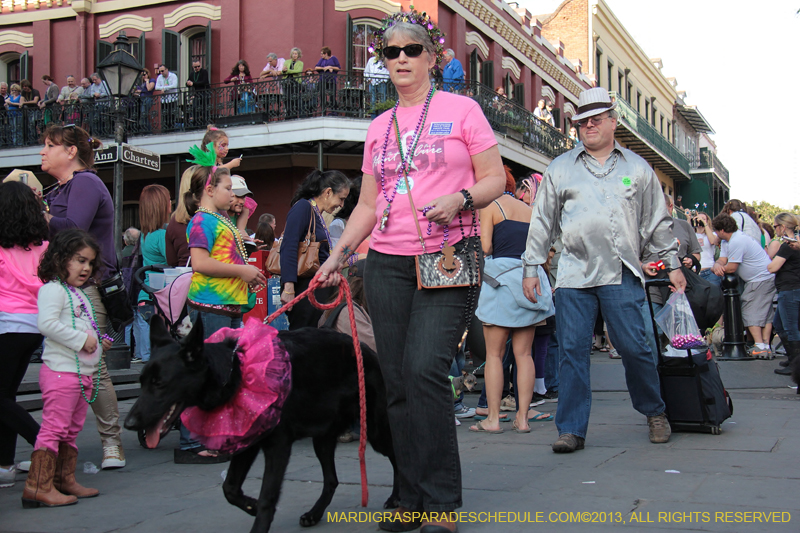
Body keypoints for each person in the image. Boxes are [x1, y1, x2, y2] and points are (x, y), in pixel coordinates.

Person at [316, 13, 505, 532]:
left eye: (411, 49)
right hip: (387, 263)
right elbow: (367, 205)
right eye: (390, 50)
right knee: (396, 382)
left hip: (449, 254)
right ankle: (409, 495)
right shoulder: (378, 127)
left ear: (432, 57)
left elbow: (496, 179)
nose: (400, 57)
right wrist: (337, 255)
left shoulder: (461, 110)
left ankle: (441, 503)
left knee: (424, 371)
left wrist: (461, 197)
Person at [521, 87, 686, 454]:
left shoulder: (637, 169)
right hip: (573, 274)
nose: (589, 125)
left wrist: (672, 264)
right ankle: (572, 429)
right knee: (573, 353)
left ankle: (654, 411)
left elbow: (657, 222)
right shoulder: (561, 167)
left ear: (614, 121)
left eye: (597, 118)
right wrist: (531, 266)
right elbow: (542, 220)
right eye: (582, 120)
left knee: (635, 347)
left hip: (622, 273)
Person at [40, 124, 126, 470]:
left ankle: (111, 443)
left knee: (94, 365)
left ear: (71, 151)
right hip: (62, 284)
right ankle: (58, 442)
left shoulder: (85, 182)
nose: (43, 151)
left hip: (88, 286)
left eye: (50, 145)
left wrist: (37, 211)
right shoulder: (61, 188)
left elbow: (73, 226)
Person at [24, 229, 110, 507]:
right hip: (62, 373)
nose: (85, 268)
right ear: (60, 259)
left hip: (80, 374)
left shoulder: (76, 293)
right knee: (54, 428)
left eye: (89, 262)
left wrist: (97, 341)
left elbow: (80, 325)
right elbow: (47, 325)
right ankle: (38, 486)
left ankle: (63, 479)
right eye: (79, 260)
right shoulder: (52, 289)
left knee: (71, 430)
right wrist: (83, 340)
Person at [470, 169, 554, 435]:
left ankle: (493, 419)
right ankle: (523, 419)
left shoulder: (491, 206)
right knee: (524, 354)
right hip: (529, 281)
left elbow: (485, 248)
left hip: (501, 284)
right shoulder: (529, 210)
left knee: (495, 355)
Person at [0, 180, 49, 490]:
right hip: (35, 325)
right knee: (7, 396)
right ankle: (5, 465)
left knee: (2, 398)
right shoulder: (43, 247)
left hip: (6, 325)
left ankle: (44, 444)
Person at [280, 170, 350, 329]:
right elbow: (289, 245)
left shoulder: (317, 214)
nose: (341, 205)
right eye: (341, 199)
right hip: (304, 290)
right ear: (328, 192)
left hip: (317, 291)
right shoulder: (303, 207)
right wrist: (288, 287)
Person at [712, 213, 776, 358]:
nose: (715, 234)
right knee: (765, 313)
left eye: (716, 230)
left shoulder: (737, 241)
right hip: (763, 277)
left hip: (759, 278)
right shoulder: (728, 241)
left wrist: (716, 268)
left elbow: (731, 267)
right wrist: (717, 265)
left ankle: (759, 345)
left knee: (749, 310)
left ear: (721, 230)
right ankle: (765, 346)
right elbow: (722, 260)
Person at [132, 185, 170, 364]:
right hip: (161, 298)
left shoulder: (145, 235)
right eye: (168, 200)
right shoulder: (162, 235)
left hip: (145, 295)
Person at [768, 213, 800, 375]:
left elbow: (772, 267)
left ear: (783, 227)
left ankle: (795, 364)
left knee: (790, 327)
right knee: (780, 324)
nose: (775, 230)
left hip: (790, 289)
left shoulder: (789, 246)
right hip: (789, 288)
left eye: (775, 226)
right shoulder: (793, 244)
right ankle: (792, 358)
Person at [165, 166, 195, 268]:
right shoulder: (216, 215)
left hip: (184, 277)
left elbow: (171, 261)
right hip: (214, 280)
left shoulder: (173, 222)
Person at [692, 211, 720, 285]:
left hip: (709, 271)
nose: (700, 220)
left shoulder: (712, 234)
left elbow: (713, 241)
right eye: (698, 218)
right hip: (695, 272)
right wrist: (690, 220)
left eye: (703, 219)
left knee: (713, 295)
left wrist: (705, 224)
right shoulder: (692, 235)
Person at [186, 60, 210, 127]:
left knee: (205, 108)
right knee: (195, 107)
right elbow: (188, 83)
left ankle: (205, 123)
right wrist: (188, 83)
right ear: (193, 67)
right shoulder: (192, 74)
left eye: (198, 66)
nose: (197, 68)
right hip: (196, 94)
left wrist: (193, 83)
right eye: (195, 67)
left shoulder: (204, 72)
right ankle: (195, 123)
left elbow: (204, 82)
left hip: (205, 92)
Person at [155, 64, 179, 130]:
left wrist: (164, 88)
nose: (161, 73)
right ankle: (165, 129)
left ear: (166, 70)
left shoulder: (173, 76)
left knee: (171, 115)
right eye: (160, 71)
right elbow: (156, 87)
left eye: (162, 71)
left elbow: (174, 85)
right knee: (164, 115)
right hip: (164, 100)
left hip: (172, 99)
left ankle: (172, 128)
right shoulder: (159, 77)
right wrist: (165, 87)